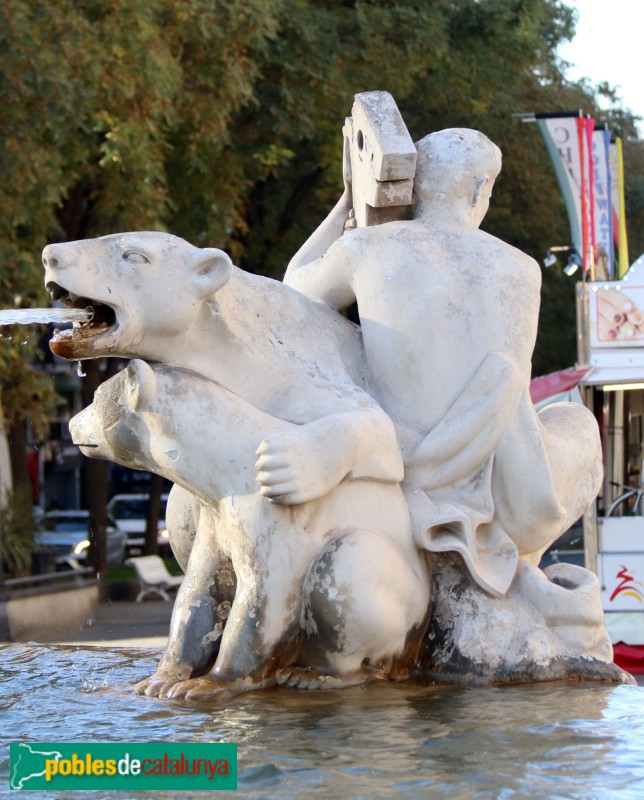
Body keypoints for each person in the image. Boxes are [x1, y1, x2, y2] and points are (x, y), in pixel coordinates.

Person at [285, 128, 601, 596]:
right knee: (579, 424)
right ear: (479, 189)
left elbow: (293, 290)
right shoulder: (521, 268)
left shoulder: (368, 247)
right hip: (509, 490)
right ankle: (523, 565)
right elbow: (515, 392)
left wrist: (347, 201)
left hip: (401, 458)